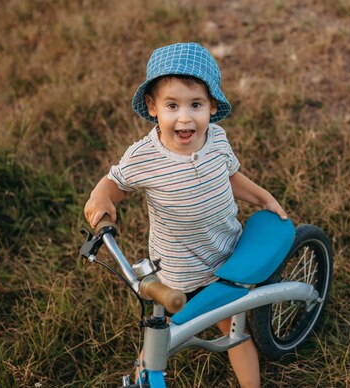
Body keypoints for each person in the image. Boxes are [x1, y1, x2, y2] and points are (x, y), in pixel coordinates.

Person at [84, 42, 286, 388]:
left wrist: (263, 197)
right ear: (152, 108)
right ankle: (146, 376)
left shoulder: (217, 140)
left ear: (212, 106)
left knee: (235, 330)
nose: (185, 117)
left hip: (225, 254)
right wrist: (101, 198)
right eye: (172, 105)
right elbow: (113, 183)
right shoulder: (145, 157)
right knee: (161, 338)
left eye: (196, 105)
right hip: (176, 270)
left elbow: (232, 177)